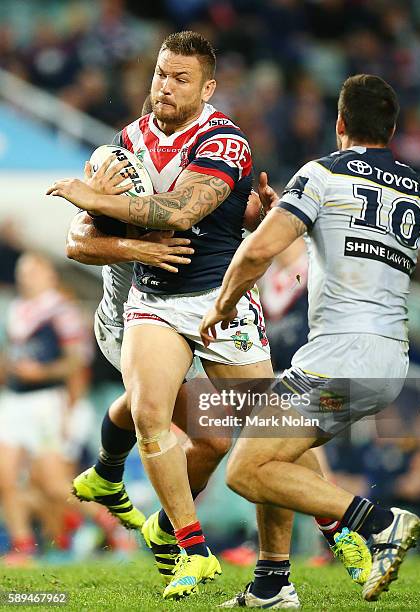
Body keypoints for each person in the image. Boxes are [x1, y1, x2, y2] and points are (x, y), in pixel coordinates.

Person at [47, 34, 370, 604]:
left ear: (207, 88)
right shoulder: (126, 145)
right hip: (150, 301)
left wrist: (90, 195)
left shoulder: (225, 140)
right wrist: (132, 243)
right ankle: (191, 550)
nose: (165, 88)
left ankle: (315, 542)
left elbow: (184, 209)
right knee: (150, 410)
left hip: (220, 302)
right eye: (160, 75)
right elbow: (80, 240)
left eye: (180, 79)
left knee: (267, 430)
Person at [199, 74, 420, 606]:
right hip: (387, 364)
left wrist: (223, 303)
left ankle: (377, 524)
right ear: (393, 129)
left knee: (246, 470)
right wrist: (297, 213)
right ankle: (272, 582)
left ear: (339, 124)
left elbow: (258, 252)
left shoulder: (324, 173)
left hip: (338, 361)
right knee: (275, 452)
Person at [0, 253, 86, 563]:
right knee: (5, 477)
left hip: (46, 402)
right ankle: (22, 547)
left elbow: (76, 361)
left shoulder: (62, 310)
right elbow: (14, 354)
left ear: (50, 275)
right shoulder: (16, 310)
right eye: (24, 270)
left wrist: (45, 375)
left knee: (53, 484)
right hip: (13, 400)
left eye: (35, 269)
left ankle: (114, 523)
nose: (28, 275)